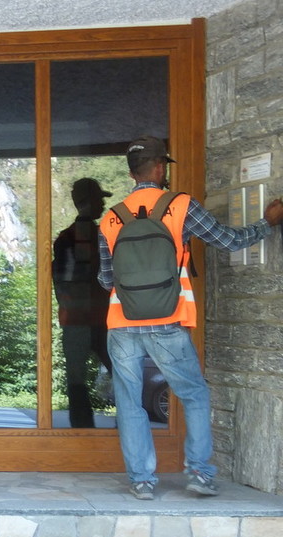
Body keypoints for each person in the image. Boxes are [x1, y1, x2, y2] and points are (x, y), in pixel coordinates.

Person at [98, 136, 283, 500]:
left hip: (122, 324)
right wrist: (267, 223)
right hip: (167, 320)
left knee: (130, 402)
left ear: (132, 173)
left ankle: (142, 480)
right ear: (159, 168)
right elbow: (228, 240)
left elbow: (106, 279)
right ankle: (198, 473)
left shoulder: (111, 218)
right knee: (194, 395)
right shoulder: (181, 205)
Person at [53, 178, 114, 428]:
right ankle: (127, 427)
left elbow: (60, 283)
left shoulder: (65, 239)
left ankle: (82, 431)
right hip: (104, 319)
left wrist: (70, 307)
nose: (103, 204)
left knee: (76, 379)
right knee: (123, 373)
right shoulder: (104, 237)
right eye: (100, 199)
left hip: (76, 320)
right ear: (88, 202)